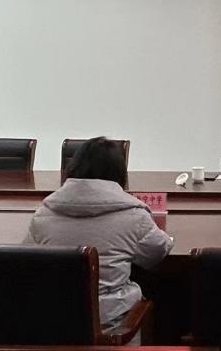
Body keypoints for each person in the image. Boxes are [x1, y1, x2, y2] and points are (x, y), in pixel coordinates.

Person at [25, 137, 173, 331]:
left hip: (53, 324)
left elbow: (29, 262)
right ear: (119, 173)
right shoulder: (134, 216)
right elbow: (157, 253)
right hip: (113, 328)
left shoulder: (43, 214)